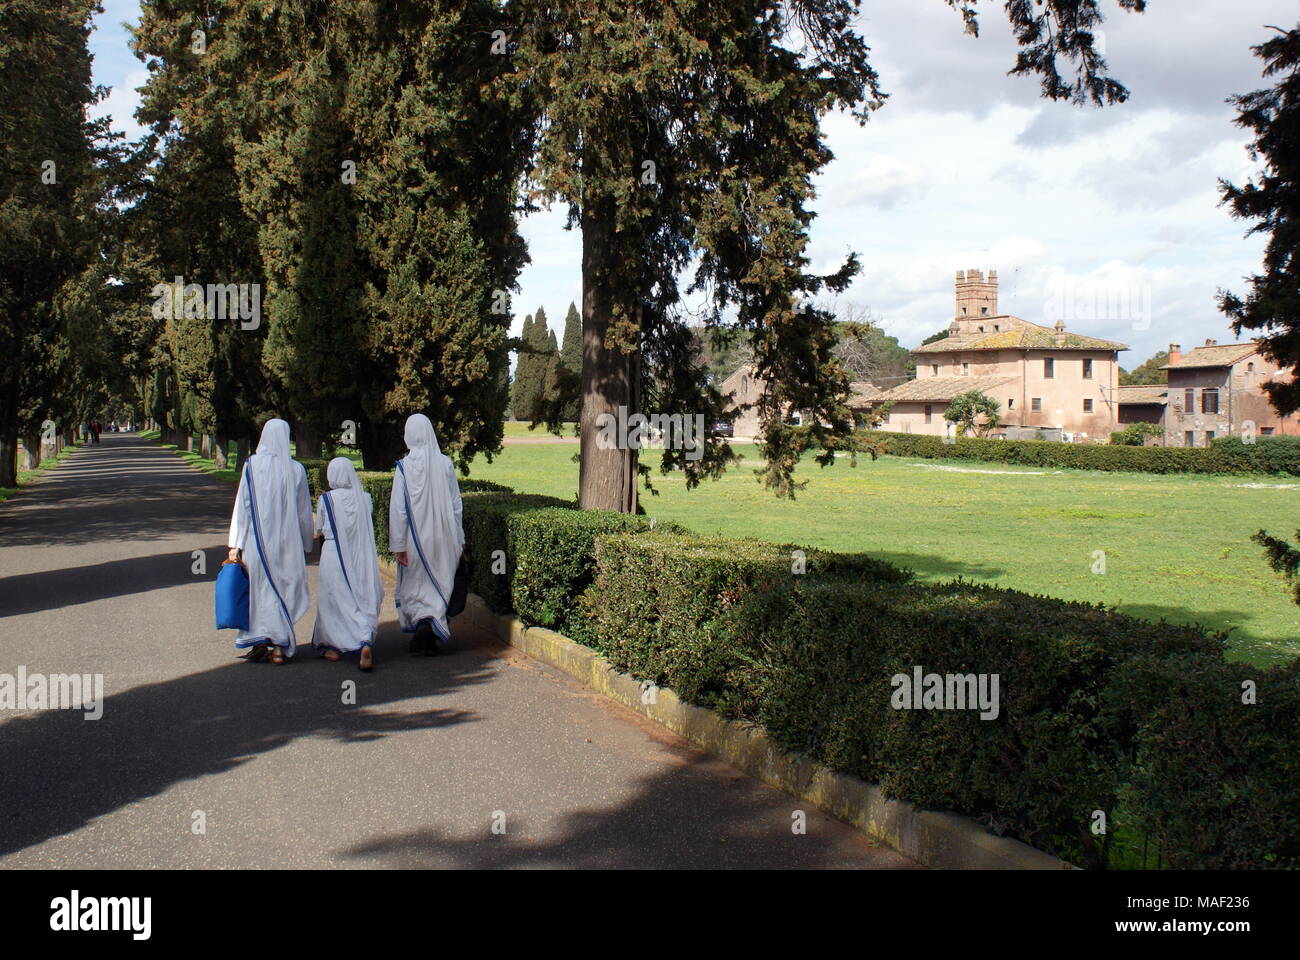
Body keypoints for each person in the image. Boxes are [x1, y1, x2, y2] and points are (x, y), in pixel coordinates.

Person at [226, 418, 313, 664]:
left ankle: (263, 638)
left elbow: (242, 506)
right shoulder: (295, 469)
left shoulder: (251, 466)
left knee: (260, 590)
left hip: (257, 541)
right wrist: (307, 543)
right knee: (283, 588)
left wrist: (236, 543)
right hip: (288, 543)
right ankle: (277, 644)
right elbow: (303, 511)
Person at [390, 413, 463, 655]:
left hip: (414, 540)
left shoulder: (404, 467)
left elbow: (399, 510)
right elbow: (456, 505)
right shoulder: (445, 464)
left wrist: (399, 544)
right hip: (445, 538)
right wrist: (459, 539)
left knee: (418, 585)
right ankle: (431, 630)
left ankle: (423, 626)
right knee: (440, 582)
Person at [312, 457, 383, 671]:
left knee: (333, 599)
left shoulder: (326, 500)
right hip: (360, 553)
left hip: (334, 553)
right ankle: (363, 639)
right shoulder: (365, 499)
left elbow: (319, 530)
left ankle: (332, 645)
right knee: (359, 596)